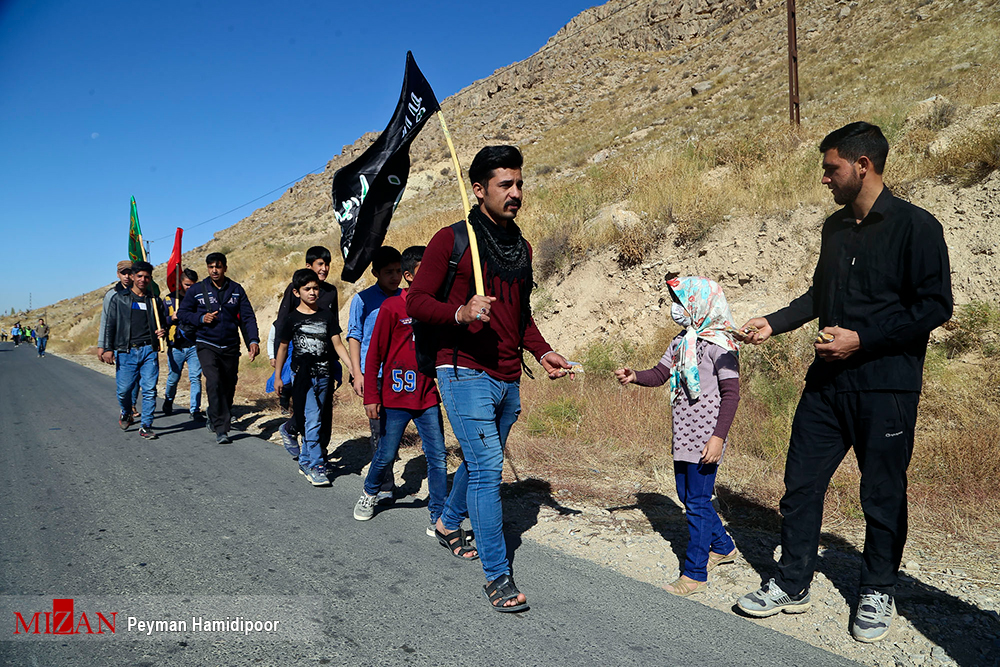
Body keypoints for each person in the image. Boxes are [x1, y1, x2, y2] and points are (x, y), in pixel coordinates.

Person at [735, 122, 953, 644]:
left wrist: (863, 339)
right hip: (826, 384)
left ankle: (878, 587)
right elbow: (818, 295)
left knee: (881, 494)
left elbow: (935, 307)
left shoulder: (916, 226)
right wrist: (775, 321)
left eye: (831, 168)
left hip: (886, 387)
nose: (825, 178)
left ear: (863, 165)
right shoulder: (835, 228)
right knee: (800, 485)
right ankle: (792, 582)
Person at [407, 145, 574, 613]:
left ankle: (446, 522)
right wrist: (459, 312)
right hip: (462, 370)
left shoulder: (521, 248)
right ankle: (497, 577)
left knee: (483, 460)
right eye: (506, 184)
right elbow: (416, 301)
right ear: (479, 190)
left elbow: (521, 315)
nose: (516, 192)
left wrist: (542, 352)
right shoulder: (451, 240)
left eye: (519, 183)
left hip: (507, 374)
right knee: (486, 469)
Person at [615, 277, 742, 596]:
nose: (678, 309)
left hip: (706, 439)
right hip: (684, 435)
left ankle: (695, 574)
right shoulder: (681, 341)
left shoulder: (721, 346)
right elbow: (660, 375)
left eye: (683, 303)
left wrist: (719, 438)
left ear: (701, 306)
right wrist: (635, 376)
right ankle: (724, 547)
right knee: (688, 497)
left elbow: (732, 394)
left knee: (697, 501)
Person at [353, 246, 447, 535]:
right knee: (386, 452)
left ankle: (439, 516)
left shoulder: (438, 305)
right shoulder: (391, 307)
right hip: (395, 396)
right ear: (408, 276)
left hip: (427, 395)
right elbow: (374, 355)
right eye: (424, 271)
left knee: (438, 455)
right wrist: (371, 395)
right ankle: (369, 492)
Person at [273, 268, 353, 487]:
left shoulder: (326, 315)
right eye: (307, 289)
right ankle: (318, 465)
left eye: (315, 288)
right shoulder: (291, 319)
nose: (312, 292)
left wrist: (354, 369)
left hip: (324, 375)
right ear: (297, 292)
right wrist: (278, 376)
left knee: (316, 418)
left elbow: (338, 344)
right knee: (313, 418)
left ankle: (306, 460)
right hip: (303, 377)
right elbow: (282, 349)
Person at [177, 252, 261, 444]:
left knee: (228, 385)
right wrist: (200, 318)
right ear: (207, 268)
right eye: (211, 267)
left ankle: (216, 412)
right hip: (207, 343)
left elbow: (247, 317)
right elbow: (182, 313)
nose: (214, 270)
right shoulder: (197, 290)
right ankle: (221, 428)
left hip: (231, 345)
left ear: (225, 267)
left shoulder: (236, 290)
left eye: (218, 266)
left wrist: (253, 341)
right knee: (213, 381)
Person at [347, 246, 403, 503]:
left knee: (396, 428)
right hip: (374, 374)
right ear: (375, 272)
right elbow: (355, 336)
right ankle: (384, 483)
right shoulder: (363, 299)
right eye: (388, 272)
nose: (395, 277)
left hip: (402, 374)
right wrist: (357, 373)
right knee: (379, 430)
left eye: (399, 271)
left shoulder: (407, 298)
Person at [103, 261, 166, 439]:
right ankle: (126, 411)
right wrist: (108, 348)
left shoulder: (154, 301)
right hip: (126, 351)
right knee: (124, 390)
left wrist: (163, 331)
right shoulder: (119, 299)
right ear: (132, 277)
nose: (143, 280)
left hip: (149, 351)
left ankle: (146, 425)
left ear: (150, 279)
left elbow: (163, 323)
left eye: (146, 277)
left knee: (149, 389)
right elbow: (110, 325)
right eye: (139, 276)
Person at [98, 261, 141, 418]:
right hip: (119, 343)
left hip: (138, 342)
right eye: (123, 273)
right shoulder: (112, 295)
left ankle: (132, 405)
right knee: (126, 379)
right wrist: (103, 346)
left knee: (137, 377)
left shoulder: (141, 292)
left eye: (130, 273)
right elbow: (106, 320)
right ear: (118, 274)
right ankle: (126, 407)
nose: (127, 277)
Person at [162, 268, 203, 420]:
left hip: (194, 344)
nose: (190, 288)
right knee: (173, 377)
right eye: (187, 285)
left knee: (195, 377)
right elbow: (160, 321)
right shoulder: (169, 299)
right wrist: (171, 318)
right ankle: (169, 399)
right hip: (176, 345)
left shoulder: (199, 300)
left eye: (193, 285)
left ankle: (195, 410)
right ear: (180, 283)